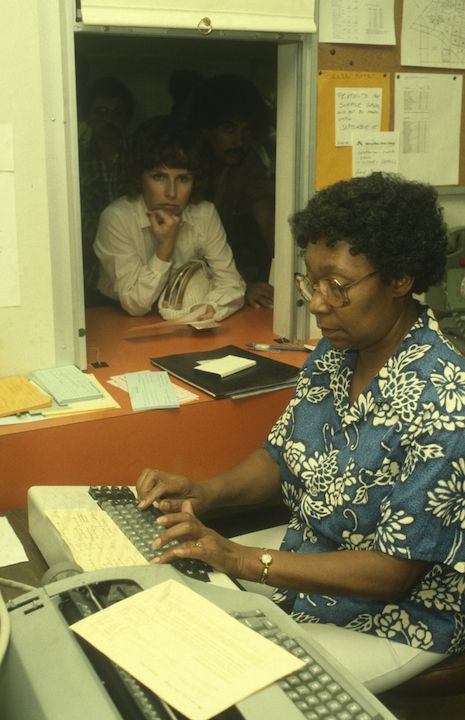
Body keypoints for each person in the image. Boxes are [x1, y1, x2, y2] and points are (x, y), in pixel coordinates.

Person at [135, 172, 465, 694]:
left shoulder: (446, 400)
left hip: (397, 616)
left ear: (400, 277)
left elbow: (391, 573)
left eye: (337, 285)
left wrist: (241, 558)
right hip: (311, 555)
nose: (317, 304)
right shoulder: (338, 352)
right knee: (171, 596)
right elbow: (283, 455)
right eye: (311, 282)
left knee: (237, 686)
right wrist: (207, 492)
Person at [94, 121, 245, 318]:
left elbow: (232, 284)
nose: (171, 193)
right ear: (140, 177)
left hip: (185, 313)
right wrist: (165, 247)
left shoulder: (204, 213)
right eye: (159, 177)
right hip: (117, 316)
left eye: (183, 179)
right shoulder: (117, 218)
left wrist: (212, 308)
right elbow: (135, 304)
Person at [188, 74, 276, 309]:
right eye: (229, 129)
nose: (240, 140)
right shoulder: (186, 164)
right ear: (206, 129)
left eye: (247, 131)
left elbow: (269, 222)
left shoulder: (248, 162)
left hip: (222, 271)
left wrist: (291, 275)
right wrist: (242, 286)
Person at [79, 76, 135, 306]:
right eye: (101, 112)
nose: (109, 120)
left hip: (134, 268)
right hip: (89, 273)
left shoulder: (139, 157)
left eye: (116, 113)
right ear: (89, 116)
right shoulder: (75, 158)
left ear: (126, 118)